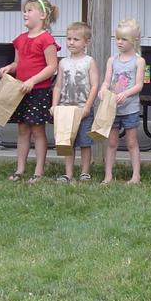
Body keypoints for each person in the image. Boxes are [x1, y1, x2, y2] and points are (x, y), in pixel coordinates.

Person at [0, 0, 60, 184]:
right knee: (22, 130)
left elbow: (52, 67)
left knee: (38, 132)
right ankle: (20, 169)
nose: (25, 13)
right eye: (24, 10)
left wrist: (33, 81)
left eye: (29, 10)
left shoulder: (46, 39)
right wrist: (9, 67)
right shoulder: (20, 39)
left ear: (42, 15)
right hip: (20, 91)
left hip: (38, 92)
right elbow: (19, 63)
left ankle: (39, 171)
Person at [51, 21, 99, 183]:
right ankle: (68, 173)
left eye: (76, 39)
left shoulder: (89, 61)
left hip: (83, 109)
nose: (71, 42)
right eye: (69, 38)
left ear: (86, 42)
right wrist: (54, 105)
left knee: (85, 142)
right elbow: (58, 86)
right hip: (65, 109)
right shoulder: (63, 62)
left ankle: (85, 172)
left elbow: (94, 86)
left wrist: (87, 106)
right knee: (67, 142)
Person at [100, 18, 145, 185]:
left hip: (130, 108)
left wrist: (125, 94)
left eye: (124, 39)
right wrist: (103, 90)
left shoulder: (139, 61)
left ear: (134, 40)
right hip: (113, 108)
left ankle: (136, 176)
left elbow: (139, 85)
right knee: (111, 142)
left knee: (132, 142)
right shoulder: (112, 60)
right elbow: (106, 80)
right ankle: (108, 175)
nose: (119, 42)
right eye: (117, 38)